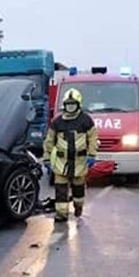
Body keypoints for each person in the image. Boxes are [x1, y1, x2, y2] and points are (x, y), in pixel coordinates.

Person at [41, 88, 99, 222]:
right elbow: (49, 142)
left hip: (80, 162)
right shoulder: (57, 122)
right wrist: (47, 159)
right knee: (60, 190)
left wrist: (92, 155)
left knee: (78, 190)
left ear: (78, 104)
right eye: (68, 104)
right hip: (61, 163)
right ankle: (61, 214)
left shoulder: (86, 120)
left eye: (73, 104)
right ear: (64, 105)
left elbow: (92, 139)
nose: (70, 107)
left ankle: (78, 207)